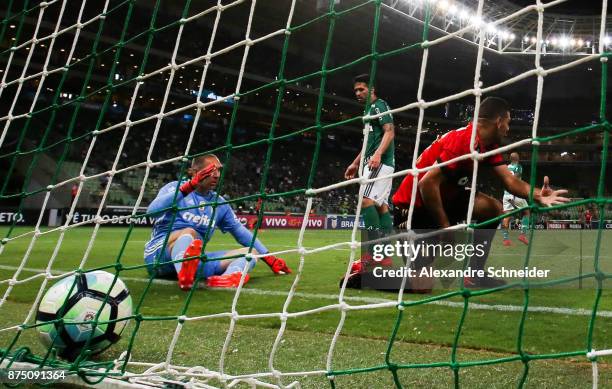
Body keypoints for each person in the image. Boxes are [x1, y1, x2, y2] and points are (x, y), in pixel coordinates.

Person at [390, 96, 569, 289]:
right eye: (507, 123)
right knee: (421, 287)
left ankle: (475, 275)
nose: (508, 129)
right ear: (498, 122)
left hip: (444, 199)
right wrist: (446, 227)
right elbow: (426, 184)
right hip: (414, 207)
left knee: (493, 208)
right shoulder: (463, 141)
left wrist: (537, 195)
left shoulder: (488, 145)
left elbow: (510, 181)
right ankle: (363, 277)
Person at [144, 154, 291, 291]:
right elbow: (152, 212)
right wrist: (189, 187)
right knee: (190, 232)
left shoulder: (219, 203)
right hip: (158, 256)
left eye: (219, 170)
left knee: (250, 253)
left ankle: (229, 277)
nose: (217, 175)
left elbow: (241, 232)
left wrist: (269, 258)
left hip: (195, 260)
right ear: (194, 172)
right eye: (211, 170)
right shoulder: (175, 187)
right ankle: (185, 273)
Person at [343, 74, 395, 272]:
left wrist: (378, 155)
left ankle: (372, 254)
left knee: (365, 201)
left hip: (379, 162)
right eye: (356, 90)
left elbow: (390, 131)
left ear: (371, 89)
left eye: (361, 89)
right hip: (371, 162)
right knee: (381, 206)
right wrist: (355, 163)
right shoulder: (367, 111)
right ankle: (385, 257)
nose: (358, 93)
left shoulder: (379, 105)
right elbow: (367, 143)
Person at [501, 152, 530, 246]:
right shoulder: (518, 167)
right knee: (526, 212)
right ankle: (522, 235)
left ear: (510, 159)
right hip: (515, 194)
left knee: (506, 217)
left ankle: (505, 240)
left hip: (506, 194)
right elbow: (515, 180)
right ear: (518, 158)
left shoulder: (505, 168)